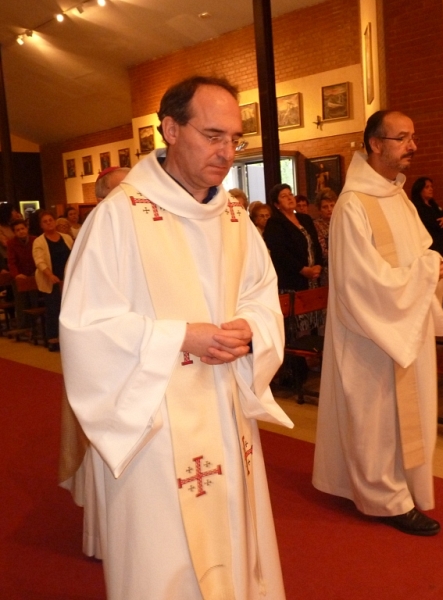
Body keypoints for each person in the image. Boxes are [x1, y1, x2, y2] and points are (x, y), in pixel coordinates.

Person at [59, 75, 291, 600]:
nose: (227, 152)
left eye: (235, 139)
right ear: (170, 129)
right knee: (165, 564)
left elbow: (260, 290)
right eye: (213, 135)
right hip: (155, 425)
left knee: (237, 541)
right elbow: (85, 326)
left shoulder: (234, 215)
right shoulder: (119, 217)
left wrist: (251, 328)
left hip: (228, 415)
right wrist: (182, 336)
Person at [313, 110, 443, 537]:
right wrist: (428, 271)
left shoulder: (397, 195)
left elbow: (421, 251)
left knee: (404, 418)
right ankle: (385, 498)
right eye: (403, 138)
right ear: (376, 144)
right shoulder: (354, 205)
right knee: (376, 419)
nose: (413, 146)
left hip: (404, 325)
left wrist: (431, 267)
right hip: (372, 332)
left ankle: (402, 486)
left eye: (413, 137)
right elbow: (361, 281)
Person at [263, 184, 322, 296]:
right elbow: (280, 253)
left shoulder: (305, 219)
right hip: (292, 280)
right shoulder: (275, 223)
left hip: (313, 277)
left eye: (291, 194)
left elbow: (315, 244)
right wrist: (303, 270)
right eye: (284, 196)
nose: (290, 198)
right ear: (277, 204)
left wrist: (318, 265)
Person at [33, 211, 73, 351]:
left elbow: (73, 256)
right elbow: (39, 261)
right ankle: (53, 339)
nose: (49, 222)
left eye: (51, 220)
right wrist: (50, 275)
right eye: (45, 221)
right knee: (53, 309)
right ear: (41, 225)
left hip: (67, 279)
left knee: (68, 308)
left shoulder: (66, 237)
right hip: (51, 280)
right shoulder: (39, 241)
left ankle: (68, 338)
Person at [410, 177, 443, 254]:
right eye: (427, 187)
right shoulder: (417, 207)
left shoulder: (433, 205)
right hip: (432, 246)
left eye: (431, 186)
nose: (431, 189)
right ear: (419, 190)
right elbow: (434, 224)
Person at [6, 219, 37, 330]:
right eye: (17, 230)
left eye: (22, 228)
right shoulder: (11, 243)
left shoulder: (35, 240)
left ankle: (36, 324)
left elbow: (38, 257)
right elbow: (11, 262)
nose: (21, 231)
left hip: (33, 274)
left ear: (27, 228)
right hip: (19, 275)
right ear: (14, 232)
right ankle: (23, 326)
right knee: (21, 300)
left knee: (34, 298)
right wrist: (16, 274)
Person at [312, 187, 337, 286]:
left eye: (332, 205)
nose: (329, 209)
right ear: (319, 209)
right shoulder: (316, 225)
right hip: (326, 269)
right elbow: (322, 250)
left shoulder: (341, 222)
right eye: (325, 207)